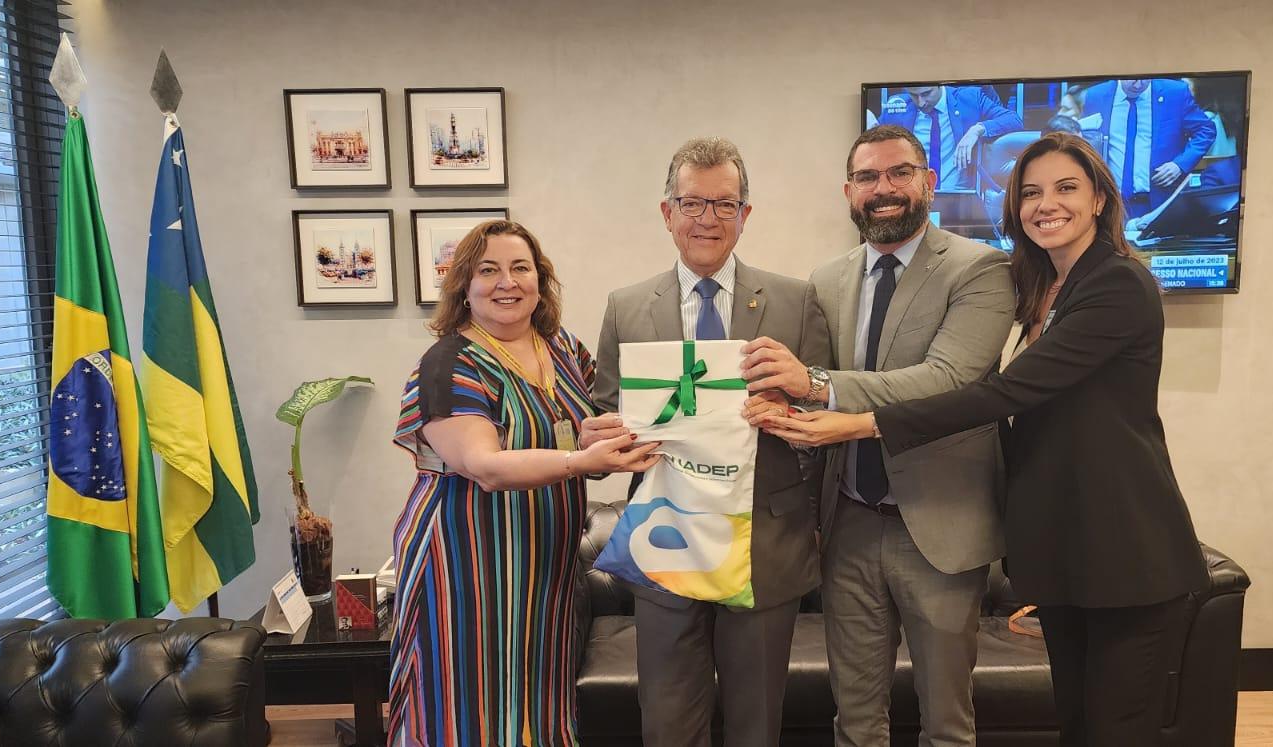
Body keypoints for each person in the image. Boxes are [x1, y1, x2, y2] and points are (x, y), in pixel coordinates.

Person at [751, 132, 1209, 747]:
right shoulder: (1046, 285)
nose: (1047, 204)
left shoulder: (1066, 278)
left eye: (1066, 188)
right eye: (1031, 192)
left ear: (1100, 198)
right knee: (1068, 722)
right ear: (849, 190)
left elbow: (975, 387)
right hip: (1004, 538)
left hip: (1096, 539)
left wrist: (846, 410)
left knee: (1075, 727)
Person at [741, 123, 1015, 746]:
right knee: (857, 721)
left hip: (940, 527)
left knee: (947, 723)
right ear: (848, 191)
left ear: (929, 182)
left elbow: (947, 380)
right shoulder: (826, 280)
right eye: (867, 177)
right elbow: (806, 400)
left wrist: (814, 383)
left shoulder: (981, 268)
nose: (883, 188)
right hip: (850, 524)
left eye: (899, 173)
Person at [581, 136, 831, 746]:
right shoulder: (627, 307)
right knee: (667, 723)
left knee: (756, 726)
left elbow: (822, 412)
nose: (707, 219)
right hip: (664, 540)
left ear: (746, 214)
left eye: (724, 204)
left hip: (764, 542)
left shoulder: (796, 300)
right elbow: (606, 413)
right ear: (667, 212)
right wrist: (596, 442)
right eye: (693, 203)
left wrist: (790, 413)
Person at [389, 220, 660, 746]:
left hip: (542, 564)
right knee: (468, 703)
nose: (507, 282)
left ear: (540, 279)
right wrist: (579, 460)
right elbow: (484, 465)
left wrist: (605, 443)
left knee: (537, 697)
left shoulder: (563, 348)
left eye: (520, 268)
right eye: (488, 270)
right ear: (464, 286)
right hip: (465, 563)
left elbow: (585, 438)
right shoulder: (449, 363)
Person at [1080, 78, 1216, 218]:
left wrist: (1179, 165)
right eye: (1133, 79)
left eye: (1144, 79)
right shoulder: (1097, 95)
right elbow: (1086, 139)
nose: (1138, 85)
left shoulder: (1174, 93)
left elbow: (1205, 130)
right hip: (1111, 203)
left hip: (1158, 201)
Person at [879, 85, 1022, 191]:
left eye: (926, 94)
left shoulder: (970, 98)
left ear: (940, 85)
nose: (921, 102)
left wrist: (977, 130)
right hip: (913, 197)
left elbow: (1013, 119)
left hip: (959, 199)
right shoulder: (898, 106)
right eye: (914, 95)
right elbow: (876, 138)